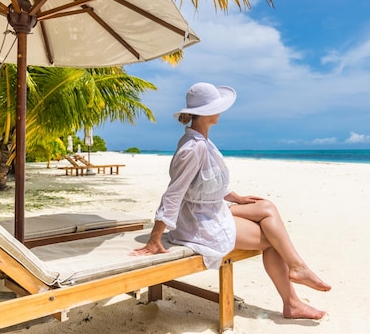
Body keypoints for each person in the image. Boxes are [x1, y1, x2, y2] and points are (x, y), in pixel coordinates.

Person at [131, 82, 330, 319]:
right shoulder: (193, 149)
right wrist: (155, 239)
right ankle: (294, 294)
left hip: (211, 209)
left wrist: (238, 198)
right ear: (206, 113)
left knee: (266, 207)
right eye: (217, 107)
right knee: (271, 240)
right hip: (198, 223)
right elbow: (174, 194)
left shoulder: (203, 142)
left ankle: (297, 273)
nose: (220, 111)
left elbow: (209, 184)